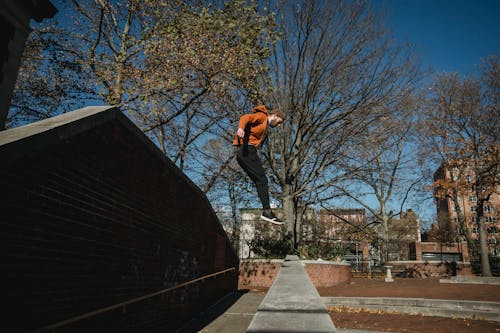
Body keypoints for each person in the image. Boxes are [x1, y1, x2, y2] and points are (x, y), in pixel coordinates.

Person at [233, 105, 285, 225]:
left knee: (259, 180)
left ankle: (266, 211)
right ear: (275, 116)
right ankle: (267, 211)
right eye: (279, 122)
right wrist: (241, 128)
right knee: (262, 179)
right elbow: (246, 117)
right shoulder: (262, 116)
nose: (278, 125)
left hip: (245, 153)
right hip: (247, 151)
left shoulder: (265, 126)